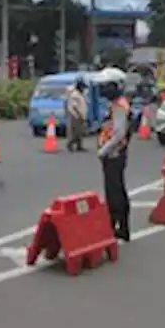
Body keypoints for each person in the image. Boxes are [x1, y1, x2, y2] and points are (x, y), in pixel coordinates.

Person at [95, 70, 132, 241]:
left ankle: (116, 225)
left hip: (114, 154)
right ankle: (121, 227)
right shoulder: (117, 104)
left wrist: (104, 150)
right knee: (117, 189)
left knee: (114, 191)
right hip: (115, 152)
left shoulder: (119, 107)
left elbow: (118, 133)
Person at [65, 79, 88, 152]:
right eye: (83, 87)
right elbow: (74, 106)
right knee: (75, 131)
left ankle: (79, 146)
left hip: (80, 115)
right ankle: (70, 144)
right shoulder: (75, 95)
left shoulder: (80, 94)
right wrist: (80, 114)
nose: (84, 89)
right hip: (75, 115)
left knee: (80, 131)